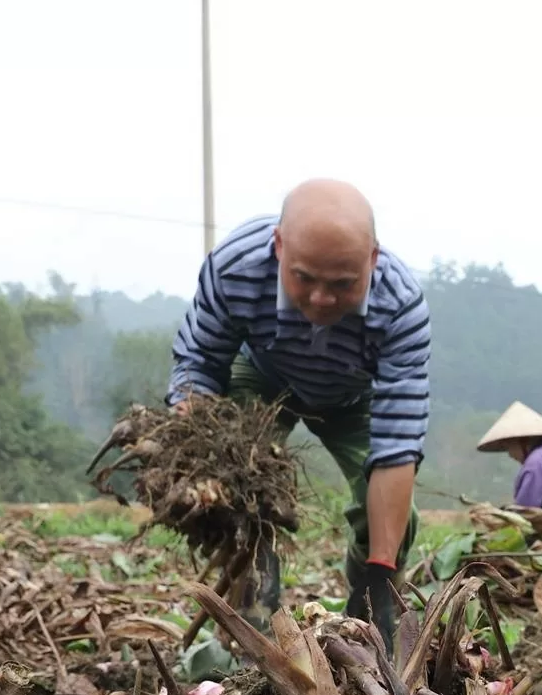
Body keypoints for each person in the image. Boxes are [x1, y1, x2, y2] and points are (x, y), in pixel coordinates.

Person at [168, 179, 428, 645]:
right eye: (304, 278)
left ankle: (369, 611)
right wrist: (199, 459)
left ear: (372, 259)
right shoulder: (235, 268)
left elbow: (396, 446)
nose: (322, 299)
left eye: (343, 283)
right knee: (238, 487)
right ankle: (252, 620)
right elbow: (200, 364)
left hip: (354, 394)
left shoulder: (400, 305)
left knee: (391, 516)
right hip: (264, 376)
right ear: (279, 247)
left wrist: (380, 570)